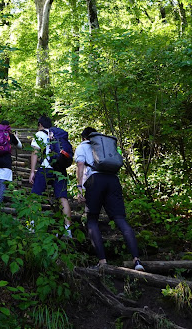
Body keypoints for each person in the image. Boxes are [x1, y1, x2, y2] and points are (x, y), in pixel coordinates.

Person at [75, 126, 144, 271]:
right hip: (113, 180)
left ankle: (102, 262)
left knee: (92, 220)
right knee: (120, 219)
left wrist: (79, 187)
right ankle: (137, 260)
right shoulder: (106, 146)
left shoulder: (82, 146)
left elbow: (80, 164)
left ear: (84, 137)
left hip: (95, 181)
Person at [29, 115, 72, 238]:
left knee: (35, 196)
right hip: (60, 169)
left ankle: (32, 225)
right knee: (63, 198)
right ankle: (68, 230)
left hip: (45, 168)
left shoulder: (40, 134)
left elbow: (35, 152)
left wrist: (32, 172)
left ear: (40, 124)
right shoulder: (58, 135)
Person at [0, 120, 22, 206]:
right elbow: (20, 146)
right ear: (8, 126)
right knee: (2, 182)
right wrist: (16, 137)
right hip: (5, 161)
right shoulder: (9, 135)